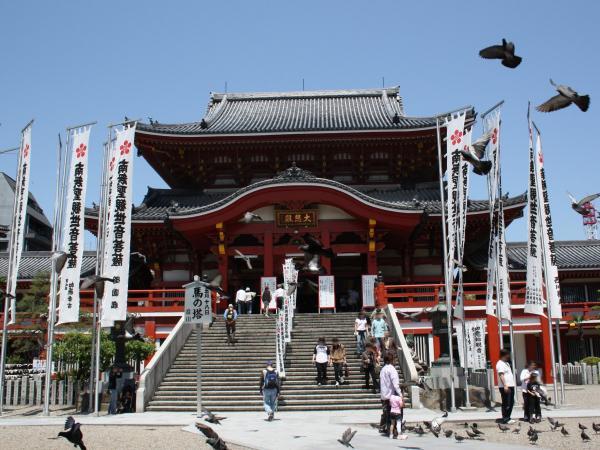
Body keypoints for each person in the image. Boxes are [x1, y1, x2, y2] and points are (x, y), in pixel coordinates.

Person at [379, 352, 402, 437]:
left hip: (384, 395)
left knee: (386, 413)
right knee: (394, 415)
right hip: (391, 395)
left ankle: (387, 429)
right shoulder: (392, 369)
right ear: (391, 359)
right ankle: (394, 431)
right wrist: (400, 394)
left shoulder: (383, 369)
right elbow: (396, 384)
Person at [496, 349, 516, 424]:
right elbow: (501, 374)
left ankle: (508, 417)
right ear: (504, 355)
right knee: (506, 402)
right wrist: (505, 385)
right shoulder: (500, 363)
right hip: (505, 386)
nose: (509, 356)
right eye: (508, 354)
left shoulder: (506, 363)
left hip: (510, 385)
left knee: (511, 402)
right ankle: (505, 418)